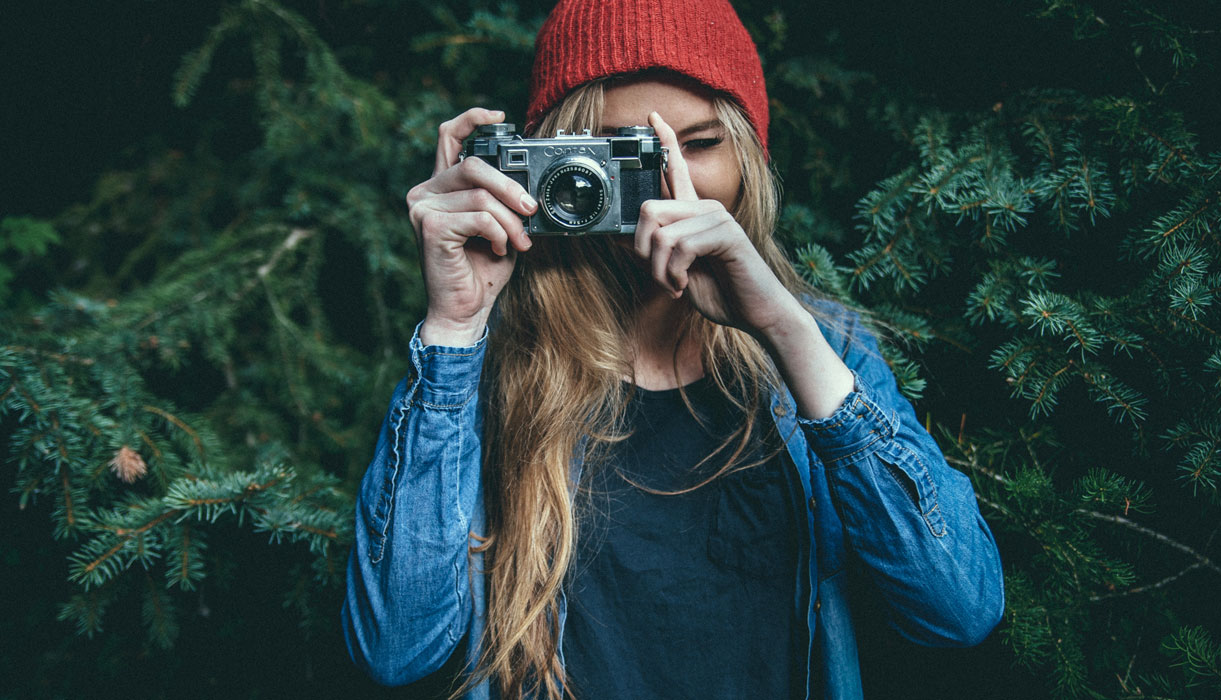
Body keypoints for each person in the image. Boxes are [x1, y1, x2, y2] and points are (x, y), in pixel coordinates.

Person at [341, 0, 1005, 697]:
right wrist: (453, 329)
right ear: (544, 166)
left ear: (748, 155)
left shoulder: (820, 347)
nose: (666, 184)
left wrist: (784, 329)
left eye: (699, 144)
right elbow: (394, 647)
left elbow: (959, 609)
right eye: (617, 153)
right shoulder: (489, 360)